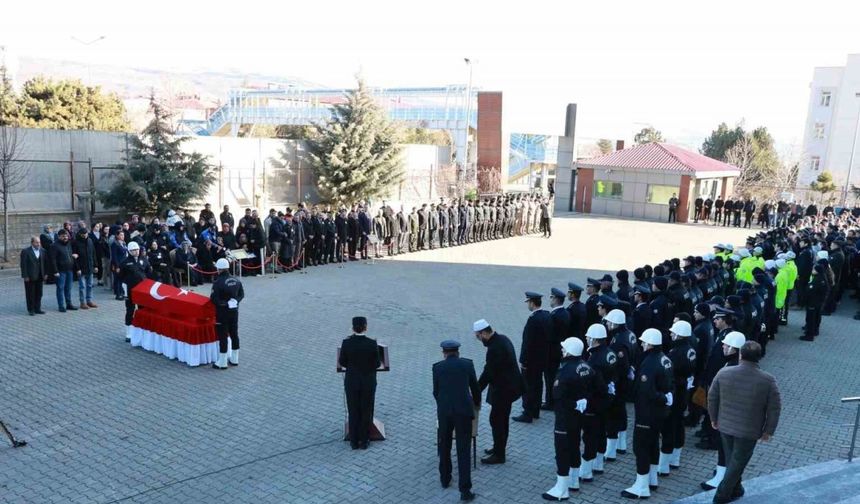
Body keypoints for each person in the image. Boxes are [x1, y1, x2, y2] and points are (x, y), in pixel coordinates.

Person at [708, 341, 781, 503]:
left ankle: (736, 489)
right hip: (749, 431)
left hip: (725, 426)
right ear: (759, 357)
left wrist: (713, 418)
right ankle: (721, 496)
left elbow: (712, 397)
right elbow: (774, 408)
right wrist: (768, 431)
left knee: (732, 461)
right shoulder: (767, 380)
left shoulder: (724, 372)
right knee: (737, 463)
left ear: (741, 355)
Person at [621, 328, 673, 500]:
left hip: (647, 411)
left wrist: (663, 398)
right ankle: (652, 479)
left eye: (644, 341)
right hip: (659, 413)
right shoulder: (665, 358)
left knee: (641, 447)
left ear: (651, 343)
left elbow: (646, 390)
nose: (642, 343)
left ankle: (641, 486)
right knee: (652, 445)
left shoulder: (649, 362)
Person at [541, 337, 594, 501]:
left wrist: (573, 403)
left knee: (562, 450)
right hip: (579, 416)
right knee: (574, 445)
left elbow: (557, 395)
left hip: (565, 417)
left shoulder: (565, 370)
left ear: (569, 351)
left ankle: (561, 488)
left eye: (564, 349)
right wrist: (583, 401)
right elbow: (596, 387)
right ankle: (573, 480)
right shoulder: (586, 366)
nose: (562, 351)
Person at [432, 340, 480, 502]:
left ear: (444, 353)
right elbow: (475, 388)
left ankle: (445, 478)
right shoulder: (467, 365)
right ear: (458, 352)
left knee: (444, 444)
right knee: (463, 449)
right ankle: (465, 490)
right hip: (464, 412)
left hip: (445, 412)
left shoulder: (438, 367)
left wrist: (443, 405)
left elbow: (436, 391)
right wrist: (477, 404)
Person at [474, 319, 523, 465]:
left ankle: (499, 454)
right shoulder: (502, 339)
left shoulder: (495, 348)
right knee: (501, 419)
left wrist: (476, 390)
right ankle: (498, 447)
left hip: (503, 390)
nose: (479, 339)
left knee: (497, 420)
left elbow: (488, 372)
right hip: (508, 387)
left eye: (478, 336)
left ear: (483, 333)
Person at [658, 320, 696, 476]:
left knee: (669, 427)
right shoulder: (690, 349)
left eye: (674, 332)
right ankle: (675, 458)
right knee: (679, 425)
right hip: (683, 394)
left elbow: (669, 375)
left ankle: (664, 465)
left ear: (680, 335)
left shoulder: (675, 353)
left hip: (675, 393)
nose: (671, 334)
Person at [339, 316, 381, 450]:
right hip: (368, 382)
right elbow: (376, 363)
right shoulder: (371, 343)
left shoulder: (346, 343)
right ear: (365, 327)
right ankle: (364, 440)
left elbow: (342, 362)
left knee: (353, 410)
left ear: (352, 328)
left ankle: (353, 441)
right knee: (366, 410)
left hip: (351, 382)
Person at [514, 291, 552, 423]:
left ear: (532, 303)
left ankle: (527, 412)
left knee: (528, 386)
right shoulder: (547, 315)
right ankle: (535, 410)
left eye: (528, 302)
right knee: (538, 384)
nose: (528, 305)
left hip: (531, 361)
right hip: (542, 359)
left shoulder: (533, 319)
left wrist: (523, 360)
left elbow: (527, 342)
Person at [210, 258, 244, 369]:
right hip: (234, 312)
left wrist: (224, 304)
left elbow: (214, 299)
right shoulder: (236, 280)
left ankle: (223, 361)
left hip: (222, 313)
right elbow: (242, 294)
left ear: (219, 269)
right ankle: (235, 358)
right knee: (234, 334)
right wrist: (235, 301)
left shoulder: (218, 282)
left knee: (223, 336)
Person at [543, 288, 570, 411]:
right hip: (560, 350)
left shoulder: (554, 316)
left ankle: (550, 402)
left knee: (550, 378)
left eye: (551, 297)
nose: (550, 299)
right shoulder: (564, 313)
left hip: (552, 351)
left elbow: (549, 335)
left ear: (555, 299)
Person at [119, 241, 151, 342]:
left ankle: (143, 330)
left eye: (137, 250)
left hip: (142, 291)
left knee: (142, 310)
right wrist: (124, 292)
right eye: (133, 250)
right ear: (129, 251)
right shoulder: (124, 262)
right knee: (130, 310)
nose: (135, 252)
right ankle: (129, 332)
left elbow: (148, 273)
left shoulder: (144, 260)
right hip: (130, 290)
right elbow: (121, 277)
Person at [50, 229, 77, 312]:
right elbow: (53, 260)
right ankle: (61, 305)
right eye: (63, 236)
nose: (65, 237)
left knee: (68, 288)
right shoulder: (54, 246)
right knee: (60, 288)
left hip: (69, 270)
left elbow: (69, 254)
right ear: (59, 237)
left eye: (66, 236)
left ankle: (69, 304)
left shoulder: (68, 244)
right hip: (60, 271)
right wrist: (55, 271)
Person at [72, 224, 98, 309]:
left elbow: (94, 253)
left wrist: (95, 265)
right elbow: (74, 257)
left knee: (90, 285)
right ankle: (82, 302)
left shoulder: (90, 241)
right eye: (84, 235)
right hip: (81, 267)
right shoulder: (76, 242)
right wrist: (77, 268)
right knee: (82, 286)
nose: (85, 236)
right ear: (80, 235)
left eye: (86, 234)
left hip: (90, 266)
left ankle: (89, 301)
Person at [20, 236, 47, 316]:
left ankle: (37, 308)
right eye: (36, 242)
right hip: (30, 276)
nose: (38, 244)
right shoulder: (26, 251)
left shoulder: (43, 251)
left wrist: (45, 274)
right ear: (32, 243)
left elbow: (45, 264)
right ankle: (31, 309)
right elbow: (23, 265)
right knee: (30, 294)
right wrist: (25, 276)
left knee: (39, 293)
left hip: (40, 275)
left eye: (39, 242)